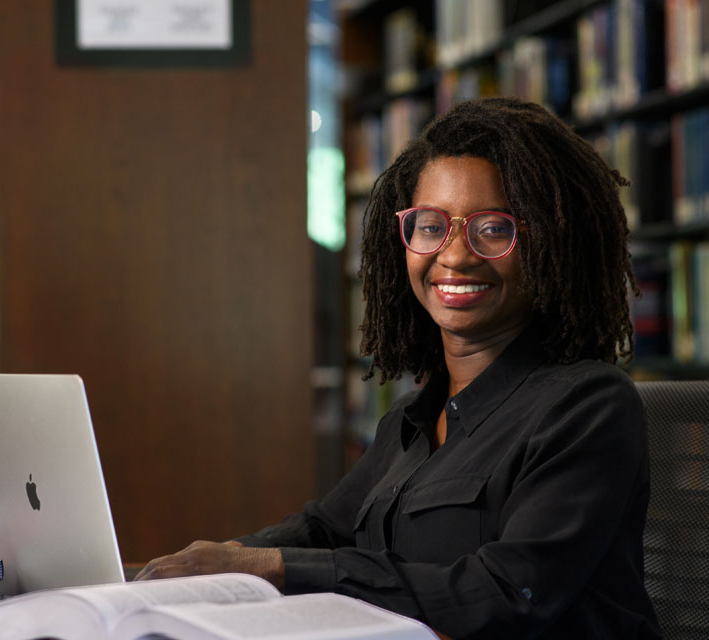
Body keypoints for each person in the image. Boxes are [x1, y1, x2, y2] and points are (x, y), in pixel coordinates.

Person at [134, 97, 662, 639]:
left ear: (552, 241)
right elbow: (323, 529)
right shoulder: (412, 420)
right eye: (431, 226)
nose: (455, 256)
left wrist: (270, 568)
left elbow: (505, 593)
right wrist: (215, 561)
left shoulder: (587, 405)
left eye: (493, 228)